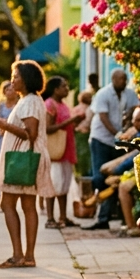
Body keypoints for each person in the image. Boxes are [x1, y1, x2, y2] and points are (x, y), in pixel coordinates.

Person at [0, 60, 54, 268]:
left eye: (16, 76)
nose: (12, 80)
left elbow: (31, 133)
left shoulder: (28, 102)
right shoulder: (33, 100)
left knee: (7, 203)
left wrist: (5, 125)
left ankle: (19, 255)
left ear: (26, 80)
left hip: (22, 159)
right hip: (29, 158)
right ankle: (28, 256)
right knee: (28, 206)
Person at [87, 68, 139, 229]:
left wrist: (129, 121)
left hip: (119, 141)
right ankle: (102, 216)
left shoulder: (129, 94)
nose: (124, 81)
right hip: (101, 139)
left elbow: (134, 109)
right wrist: (117, 133)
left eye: (125, 79)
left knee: (116, 176)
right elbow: (103, 117)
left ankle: (111, 216)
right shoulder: (103, 94)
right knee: (100, 176)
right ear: (114, 79)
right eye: (121, 79)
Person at [43, 75, 84, 229]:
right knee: (54, 184)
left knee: (64, 185)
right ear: (55, 89)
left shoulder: (63, 105)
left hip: (65, 149)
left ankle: (63, 216)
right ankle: (50, 218)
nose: (67, 89)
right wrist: (70, 121)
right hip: (55, 152)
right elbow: (47, 128)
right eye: (64, 86)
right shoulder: (50, 104)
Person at [0, 81, 18, 207]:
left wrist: (7, 124)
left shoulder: (19, 104)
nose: (9, 92)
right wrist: (0, 125)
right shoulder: (0, 105)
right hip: (1, 139)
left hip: (13, 139)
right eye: (7, 89)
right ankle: (0, 198)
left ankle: (10, 199)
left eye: (11, 89)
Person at [73, 89, 93, 179]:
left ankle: (81, 171)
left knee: (80, 152)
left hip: (78, 133)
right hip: (84, 133)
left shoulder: (76, 108)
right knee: (84, 153)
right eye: (89, 97)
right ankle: (84, 172)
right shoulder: (87, 108)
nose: (91, 99)